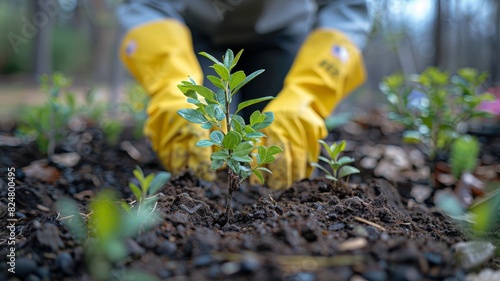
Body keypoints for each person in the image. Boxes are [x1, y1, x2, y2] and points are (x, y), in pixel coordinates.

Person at [117, 0, 371, 189]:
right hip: (190, 29)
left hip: (283, 30)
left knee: (274, 138)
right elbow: (144, 5)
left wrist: (308, 94)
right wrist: (171, 87)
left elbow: (346, 8)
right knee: (208, 130)